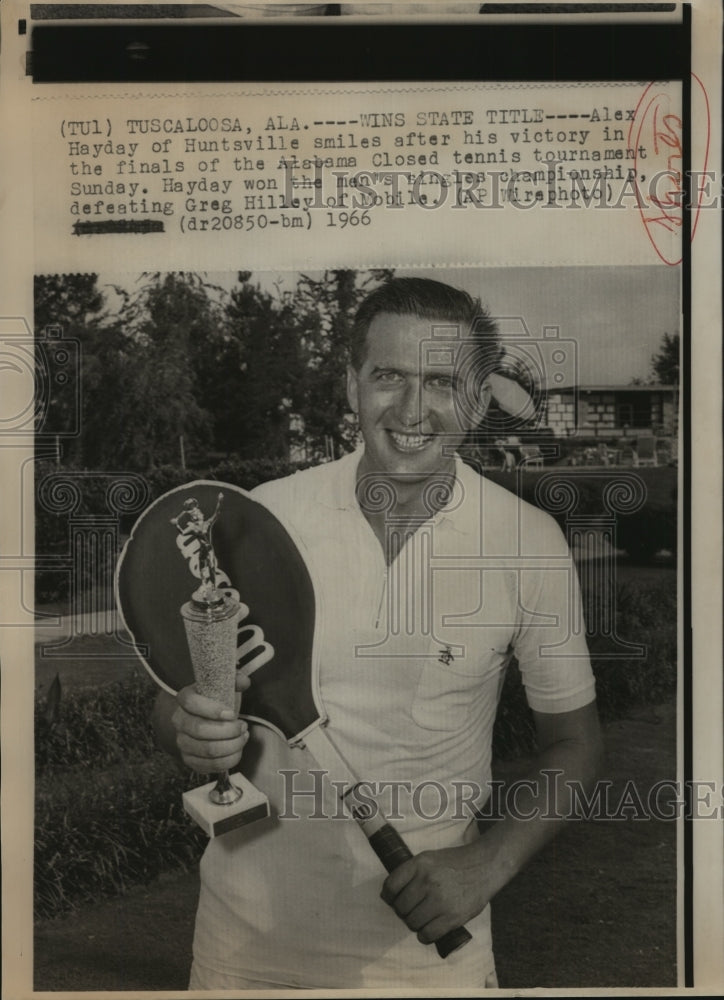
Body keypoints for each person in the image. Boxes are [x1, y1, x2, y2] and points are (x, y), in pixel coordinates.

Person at [152, 276, 602, 990]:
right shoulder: (260, 519)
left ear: (478, 400)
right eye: (388, 375)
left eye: (442, 381)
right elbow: (182, 694)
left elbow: (575, 742)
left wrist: (489, 862)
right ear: (352, 385)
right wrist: (187, 724)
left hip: (426, 962)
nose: (413, 409)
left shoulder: (528, 543)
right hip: (243, 954)